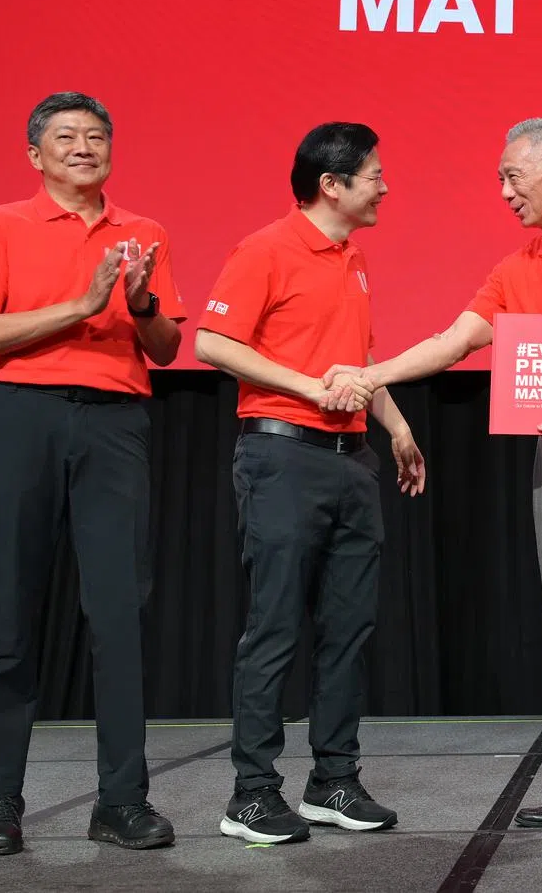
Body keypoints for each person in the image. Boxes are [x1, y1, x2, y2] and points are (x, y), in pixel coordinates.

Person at [324, 117, 542, 838]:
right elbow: (455, 340)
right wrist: (372, 376)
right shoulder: (517, 267)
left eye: (512, 176)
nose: (503, 191)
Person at [0, 91, 186, 855]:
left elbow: (169, 347)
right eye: (66, 136)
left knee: (119, 615)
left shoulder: (143, 232)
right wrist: (80, 305)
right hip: (20, 415)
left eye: (97, 135)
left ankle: (121, 801)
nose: (84, 146)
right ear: (35, 154)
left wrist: (139, 302)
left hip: (113, 424)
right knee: (10, 611)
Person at [195, 121, 426, 845]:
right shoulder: (266, 248)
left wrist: (397, 427)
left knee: (348, 629)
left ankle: (333, 779)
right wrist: (307, 387)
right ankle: (252, 795)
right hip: (282, 457)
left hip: (350, 460)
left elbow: (355, 361)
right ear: (333, 184)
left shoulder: (352, 258)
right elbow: (212, 341)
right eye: (375, 174)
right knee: (273, 628)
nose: (385, 185)